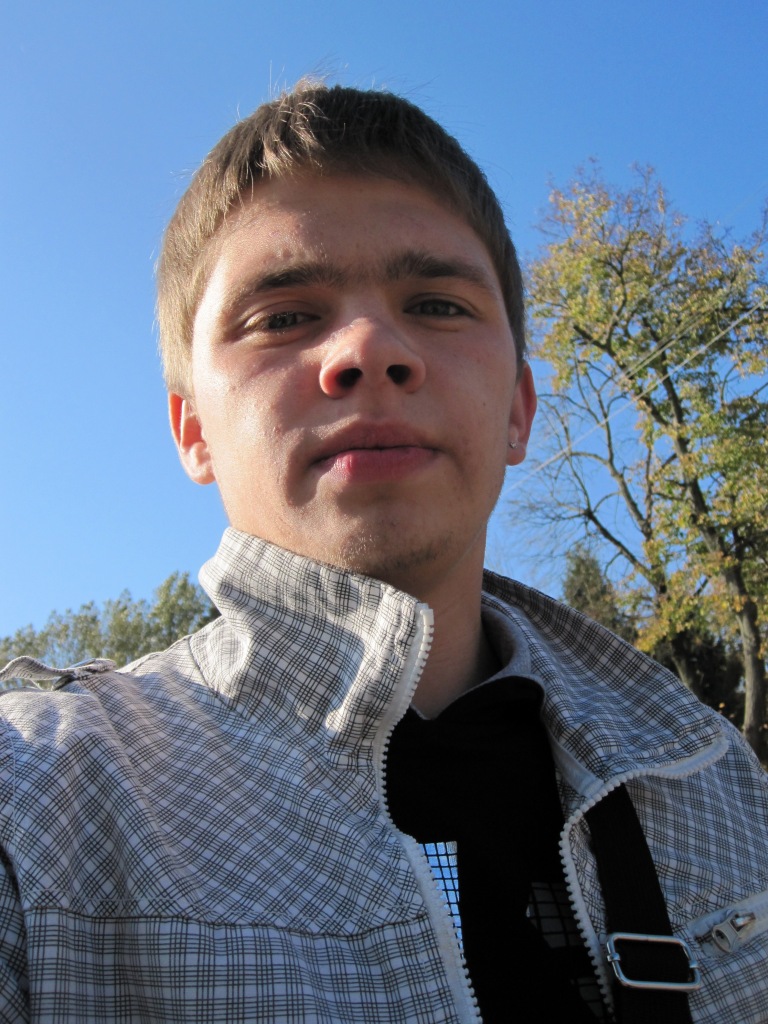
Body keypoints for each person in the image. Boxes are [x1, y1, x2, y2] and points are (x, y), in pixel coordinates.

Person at [1, 82, 766, 1024]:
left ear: (519, 409)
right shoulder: (33, 807)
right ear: (193, 429)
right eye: (284, 317)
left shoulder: (720, 785)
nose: (368, 348)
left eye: (438, 303)